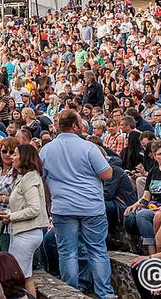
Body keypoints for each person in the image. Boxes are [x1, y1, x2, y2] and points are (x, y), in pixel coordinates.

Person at [39, 110, 114, 299]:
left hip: (62, 207)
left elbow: (42, 179)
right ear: (75, 126)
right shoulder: (88, 147)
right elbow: (107, 174)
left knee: (67, 252)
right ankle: (104, 293)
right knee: (97, 249)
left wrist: (49, 202)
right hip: (91, 206)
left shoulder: (47, 149)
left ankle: (70, 293)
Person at [0, 144, 48, 299]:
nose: (12, 157)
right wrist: (9, 214)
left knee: (16, 276)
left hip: (27, 234)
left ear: (24, 157)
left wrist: (11, 217)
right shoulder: (27, 177)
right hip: (24, 232)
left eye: (16, 154)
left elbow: (34, 209)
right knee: (26, 275)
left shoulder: (30, 179)